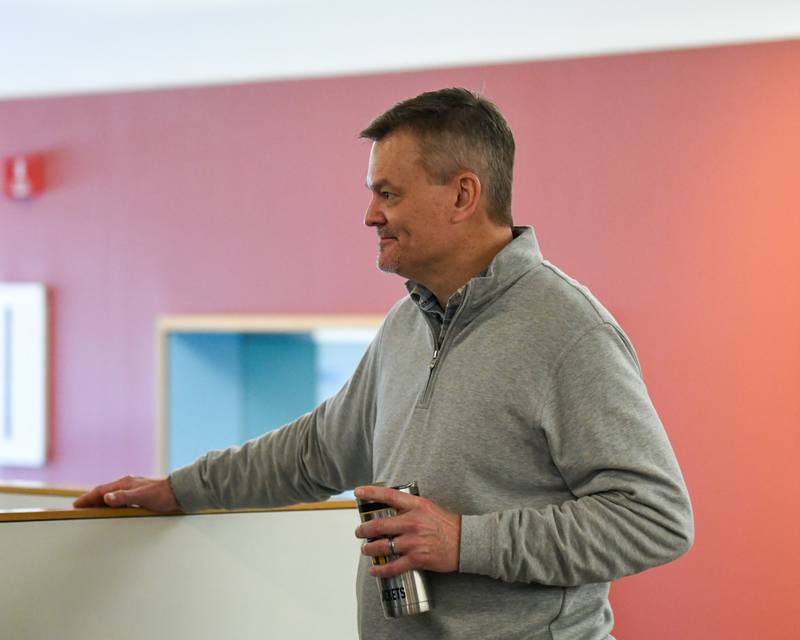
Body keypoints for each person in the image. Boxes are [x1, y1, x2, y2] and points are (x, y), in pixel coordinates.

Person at [75, 87, 694, 639]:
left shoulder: (568, 331)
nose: (370, 216)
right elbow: (317, 450)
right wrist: (179, 490)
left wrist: (462, 542)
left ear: (462, 194)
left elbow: (654, 519)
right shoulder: (408, 323)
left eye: (388, 194)